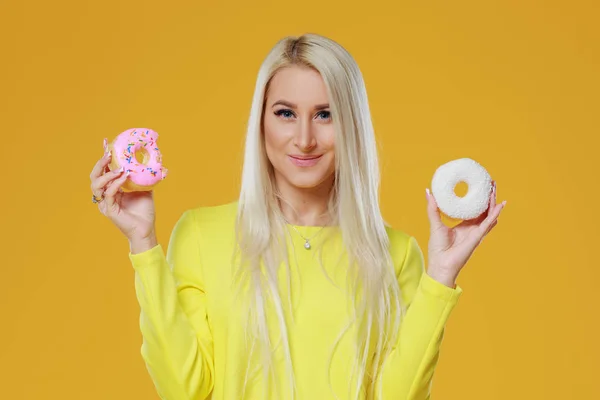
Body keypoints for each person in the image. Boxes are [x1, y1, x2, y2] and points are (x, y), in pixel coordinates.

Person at [89, 33, 505, 400]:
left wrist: (441, 278)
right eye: (285, 113)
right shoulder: (200, 234)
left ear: (351, 126)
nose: (304, 139)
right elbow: (184, 390)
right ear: (261, 122)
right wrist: (143, 244)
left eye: (326, 114)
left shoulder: (395, 254)